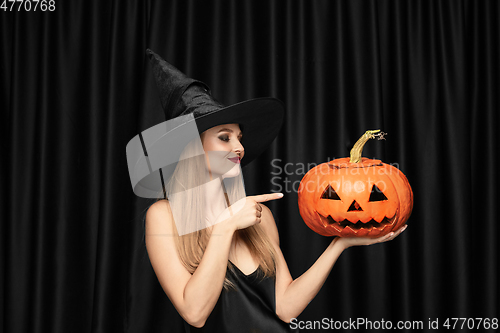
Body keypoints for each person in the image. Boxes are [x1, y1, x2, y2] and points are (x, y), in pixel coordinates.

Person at [136, 50, 407, 332]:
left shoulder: (259, 215)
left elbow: (285, 308)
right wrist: (225, 227)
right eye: (225, 137)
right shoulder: (164, 216)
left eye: (239, 138)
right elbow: (195, 313)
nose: (239, 148)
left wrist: (340, 244)